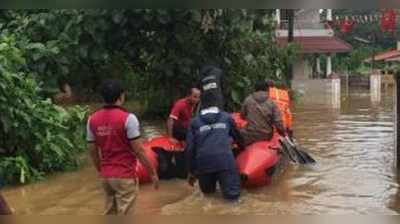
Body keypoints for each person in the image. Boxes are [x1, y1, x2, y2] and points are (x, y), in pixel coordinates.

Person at [87, 80, 159, 215]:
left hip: (106, 177)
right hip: (125, 175)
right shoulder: (128, 118)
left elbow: (92, 151)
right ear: (121, 96)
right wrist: (152, 173)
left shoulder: (92, 119)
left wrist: (102, 170)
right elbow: (139, 151)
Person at [185, 100, 244, 201]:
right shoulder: (226, 117)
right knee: (232, 198)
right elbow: (238, 137)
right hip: (225, 161)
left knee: (208, 198)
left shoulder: (194, 122)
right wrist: (243, 149)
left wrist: (192, 171)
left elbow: (190, 148)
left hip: (204, 163)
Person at [166, 87, 201, 178]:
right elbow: (170, 120)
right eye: (195, 97)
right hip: (177, 130)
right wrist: (170, 137)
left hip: (185, 129)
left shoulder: (193, 104)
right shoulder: (180, 104)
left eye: (198, 97)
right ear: (189, 96)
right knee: (194, 138)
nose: (197, 99)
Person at [239, 80, 287, 146]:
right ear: (267, 89)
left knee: (238, 134)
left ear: (255, 89)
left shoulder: (247, 100)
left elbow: (242, 116)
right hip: (266, 135)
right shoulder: (272, 102)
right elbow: (278, 122)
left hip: (250, 135)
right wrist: (284, 134)